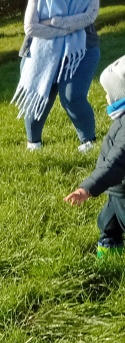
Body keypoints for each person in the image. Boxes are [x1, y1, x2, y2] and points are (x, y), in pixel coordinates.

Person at [13, 0, 100, 152]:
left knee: (72, 96)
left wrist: (52, 22)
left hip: (82, 48)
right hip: (40, 50)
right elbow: (31, 27)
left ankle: (89, 141)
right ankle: (33, 143)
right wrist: (67, 29)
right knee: (37, 96)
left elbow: (88, 17)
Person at [64, 55, 125, 258]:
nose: (106, 98)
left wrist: (88, 188)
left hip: (122, 190)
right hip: (115, 189)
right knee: (108, 225)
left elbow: (116, 162)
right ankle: (109, 262)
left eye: (108, 93)